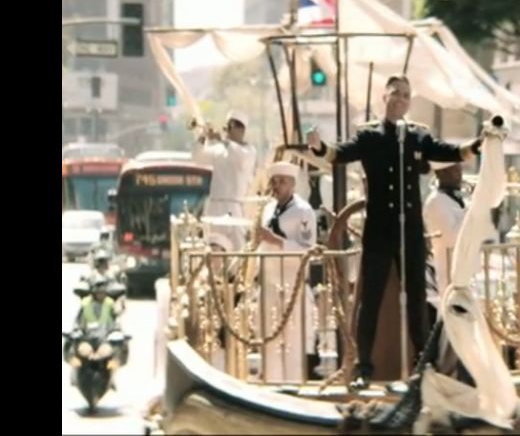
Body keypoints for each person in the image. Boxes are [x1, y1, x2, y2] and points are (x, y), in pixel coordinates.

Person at [307, 75, 483, 389]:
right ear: (384, 97)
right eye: (395, 93)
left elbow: (448, 152)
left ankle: (423, 365)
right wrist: (319, 147)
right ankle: (364, 367)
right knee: (370, 299)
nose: (400, 99)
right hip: (379, 230)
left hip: (410, 230)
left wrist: (477, 145)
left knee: (417, 297)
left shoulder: (416, 136)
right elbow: (339, 154)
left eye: (405, 95)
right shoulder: (369, 136)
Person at [254, 161, 318, 383]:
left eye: (282, 182)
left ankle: (293, 382)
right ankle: (272, 380)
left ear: (292, 184)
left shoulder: (303, 211)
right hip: (270, 281)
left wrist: (278, 241)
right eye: (275, 181)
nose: (277, 186)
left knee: (293, 338)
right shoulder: (268, 209)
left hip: (293, 283)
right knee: (270, 335)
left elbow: (308, 249)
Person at [192, 110, 258, 250]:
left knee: (237, 248)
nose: (227, 131)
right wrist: (203, 136)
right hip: (214, 206)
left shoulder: (249, 151)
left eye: (230, 127)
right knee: (212, 245)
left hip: (234, 206)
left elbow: (240, 159)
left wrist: (222, 139)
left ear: (240, 130)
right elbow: (197, 157)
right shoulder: (219, 149)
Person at [423, 161, 467, 309]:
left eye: (460, 169)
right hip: (449, 277)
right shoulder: (436, 202)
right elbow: (450, 239)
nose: (460, 175)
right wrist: (472, 210)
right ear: (441, 173)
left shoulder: (454, 198)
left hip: (464, 273)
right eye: (454, 170)